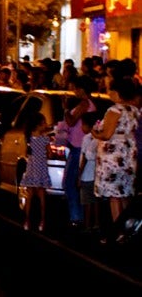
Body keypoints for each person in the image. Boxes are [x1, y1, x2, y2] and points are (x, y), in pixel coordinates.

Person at [92, 76, 139, 241]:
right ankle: (128, 229)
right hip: (128, 154)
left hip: (113, 157)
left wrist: (94, 132)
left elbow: (106, 134)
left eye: (110, 90)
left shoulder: (115, 110)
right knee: (124, 193)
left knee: (114, 196)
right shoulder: (134, 110)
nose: (109, 92)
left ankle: (118, 232)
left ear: (117, 92)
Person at [62, 74, 98, 228]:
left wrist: (65, 109)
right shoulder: (90, 103)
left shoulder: (84, 104)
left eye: (76, 88)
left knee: (70, 183)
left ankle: (76, 216)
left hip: (79, 147)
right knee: (77, 183)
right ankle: (81, 216)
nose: (74, 91)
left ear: (82, 89)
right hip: (80, 146)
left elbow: (71, 121)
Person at [21, 112, 52, 232]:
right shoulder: (45, 139)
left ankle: (27, 221)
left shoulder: (28, 138)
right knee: (42, 196)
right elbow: (49, 154)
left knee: (29, 195)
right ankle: (42, 221)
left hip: (31, 168)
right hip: (41, 168)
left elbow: (26, 153)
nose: (46, 125)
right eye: (44, 123)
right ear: (38, 125)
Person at [78, 112, 100, 235]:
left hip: (86, 175)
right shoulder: (99, 137)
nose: (81, 127)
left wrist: (79, 175)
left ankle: (87, 225)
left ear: (87, 125)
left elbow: (85, 157)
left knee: (87, 201)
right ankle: (96, 223)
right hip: (96, 174)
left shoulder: (87, 138)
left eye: (82, 124)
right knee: (95, 200)